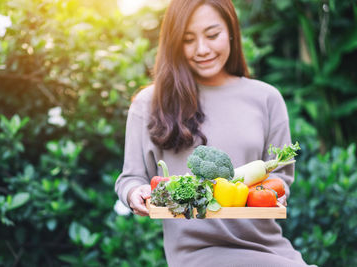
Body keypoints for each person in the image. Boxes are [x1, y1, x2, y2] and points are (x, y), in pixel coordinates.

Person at [115, 0, 316, 266]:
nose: (202, 49)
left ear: (231, 31)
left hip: (270, 249)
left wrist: (254, 193)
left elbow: (280, 178)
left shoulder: (266, 98)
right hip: (198, 254)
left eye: (212, 35)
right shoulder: (150, 102)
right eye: (188, 40)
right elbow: (130, 178)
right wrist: (134, 194)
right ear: (174, 43)